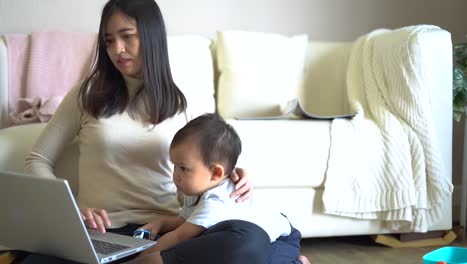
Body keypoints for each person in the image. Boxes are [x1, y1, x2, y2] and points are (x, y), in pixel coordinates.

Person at [23, 0, 308, 263]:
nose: (117, 49)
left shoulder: (184, 99)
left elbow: (213, 156)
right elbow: (38, 159)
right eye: (109, 41)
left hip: (169, 235)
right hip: (101, 233)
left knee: (248, 240)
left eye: (127, 36)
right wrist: (72, 212)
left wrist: (238, 172)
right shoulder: (87, 94)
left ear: (150, 36)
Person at [129, 113, 310, 264]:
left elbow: (179, 236)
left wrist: (142, 257)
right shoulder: (196, 189)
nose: (176, 175)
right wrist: (160, 223)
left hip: (280, 238)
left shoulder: (216, 201)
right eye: (174, 166)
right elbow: (185, 221)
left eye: (183, 168)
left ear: (216, 173)